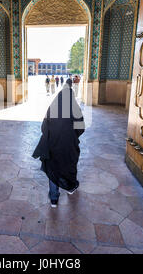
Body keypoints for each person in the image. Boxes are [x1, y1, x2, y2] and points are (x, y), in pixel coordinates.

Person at [32, 79, 85, 208]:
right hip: (69, 145)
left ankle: (54, 198)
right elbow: (81, 127)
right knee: (69, 164)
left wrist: (52, 135)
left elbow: (44, 126)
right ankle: (70, 188)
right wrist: (72, 136)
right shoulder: (75, 108)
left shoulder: (53, 107)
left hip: (53, 144)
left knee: (53, 168)